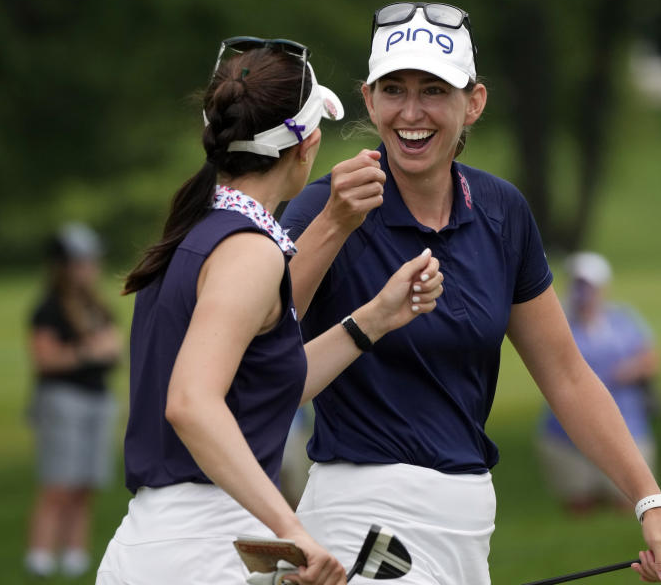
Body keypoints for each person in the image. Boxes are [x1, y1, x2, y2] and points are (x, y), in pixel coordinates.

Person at [280, 2, 661, 584]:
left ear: (473, 102)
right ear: (368, 100)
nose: (412, 112)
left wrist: (649, 500)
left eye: (434, 91)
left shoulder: (501, 211)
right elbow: (259, 350)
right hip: (360, 509)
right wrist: (331, 226)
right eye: (394, 90)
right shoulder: (327, 205)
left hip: (468, 516)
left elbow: (566, 375)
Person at [96, 37, 443, 585]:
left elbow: (260, 387)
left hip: (157, 544)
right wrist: (294, 529)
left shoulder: (202, 233)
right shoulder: (249, 251)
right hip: (203, 551)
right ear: (306, 144)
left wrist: (376, 317)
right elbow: (191, 403)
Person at [25, 222, 121, 578]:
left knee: (85, 483)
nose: (90, 267)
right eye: (81, 261)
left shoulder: (96, 306)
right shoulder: (48, 309)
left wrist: (92, 352)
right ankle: (40, 554)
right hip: (62, 400)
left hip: (97, 399)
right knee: (58, 482)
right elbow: (46, 359)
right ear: (64, 266)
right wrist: (88, 352)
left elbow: (113, 348)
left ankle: (74, 554)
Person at [537, 252, 661, 515]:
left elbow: (650, 358)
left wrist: (628, 371)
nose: (582, 292)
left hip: (627, 422)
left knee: (628, 502)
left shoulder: (622, 319)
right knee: (579, 503)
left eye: (588, 285)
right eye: (578, 284)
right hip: (566, 430)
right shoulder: (561, 322)